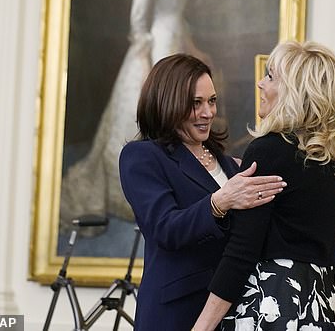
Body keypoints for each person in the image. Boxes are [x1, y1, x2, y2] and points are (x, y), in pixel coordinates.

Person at [60, 0, 210, 231]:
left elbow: (178, 17)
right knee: (144, 121)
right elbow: (139, 22)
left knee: (179, 118)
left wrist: (194, 49)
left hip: (174, 47)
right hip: (151, 52)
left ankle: (174, 189)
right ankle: (137, 194)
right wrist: (147, 70)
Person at [193, 41, 335, 331]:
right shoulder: (333, 160)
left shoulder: (268, 151)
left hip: (277, 301)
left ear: (293, 92)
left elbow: (241, 252)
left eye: (270, 76)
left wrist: (201, 327)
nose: (260, 82)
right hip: (324, 302)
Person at [119, 54, 286, 331]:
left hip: (235, 311)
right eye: (195, 103)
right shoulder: (141, 157)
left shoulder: (227, 162)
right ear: (167, 101)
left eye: (212, 101)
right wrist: (220, 202)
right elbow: (164, 229)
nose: (208, 112)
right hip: (177, 314)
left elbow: (256, 232)